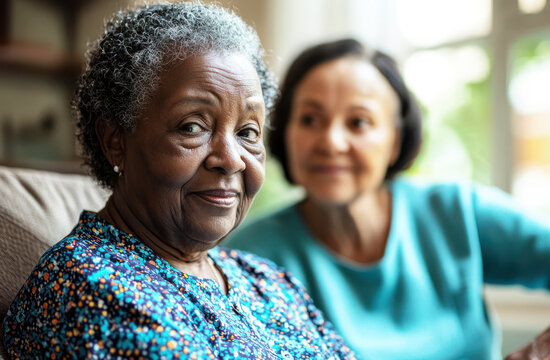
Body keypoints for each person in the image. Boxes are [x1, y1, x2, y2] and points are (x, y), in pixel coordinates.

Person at [225, 38, 550, 360]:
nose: (331, 141)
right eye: (310, 119)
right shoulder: (246, 255)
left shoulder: (454, 212)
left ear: (395, 141)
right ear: (284, 133)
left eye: (359, 122)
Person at [2, 4, 357, 359]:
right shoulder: (90, 289)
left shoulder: (269, 281)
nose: (231, 159)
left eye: (248, 132)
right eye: (192, 127)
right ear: (115, 140)